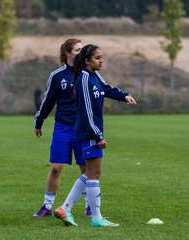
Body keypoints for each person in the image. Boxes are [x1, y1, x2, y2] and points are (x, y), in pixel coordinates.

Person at [54, 44, 136, 227]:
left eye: (102, 57)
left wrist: (124, 96)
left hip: (91, 131)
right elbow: (86, 112)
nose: (101, 60)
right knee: (94, 174)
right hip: (89, 132)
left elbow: (107, 89)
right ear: (87, 60)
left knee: (91, 173)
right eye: (98, 57)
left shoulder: (93, 76)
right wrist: (98, 135)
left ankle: (65, 208)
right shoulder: (83, 79)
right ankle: (97, 218)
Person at [33, 38, 92, 218]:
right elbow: (48, 101)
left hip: (82, 129)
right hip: (63, 127)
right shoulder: (57, 76)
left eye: (82, 50)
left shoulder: (88, 74)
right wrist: (39, 121)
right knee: (56, 167)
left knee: (86, 169)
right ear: (67, 53)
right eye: (77, 50)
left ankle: (90, 206)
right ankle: (47, 206)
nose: (81, 53)